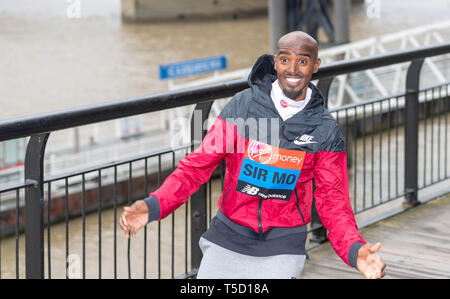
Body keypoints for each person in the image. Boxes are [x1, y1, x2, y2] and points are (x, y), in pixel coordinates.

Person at [119, 31, 386, 279]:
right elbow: (196, 167)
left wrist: (355, 250)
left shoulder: (325, 129)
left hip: (283, 245)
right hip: (228, 236)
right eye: (285, 60)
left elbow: (332, 200)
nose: (293, 69)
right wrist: (154, 206)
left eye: (303, 61)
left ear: (316, 65)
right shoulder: (243, 106)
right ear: (275, 63)